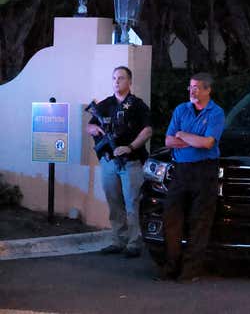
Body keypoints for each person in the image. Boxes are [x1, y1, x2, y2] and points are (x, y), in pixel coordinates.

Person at [162, 72, 225, 282]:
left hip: (204, 170)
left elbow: (207, 143)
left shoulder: (216, 113)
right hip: (181, 170)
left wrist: (182, 135)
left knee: (199, 221)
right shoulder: (181, 110)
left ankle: (190, 271)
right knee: (172, 217)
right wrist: (190, 139)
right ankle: (171, 266)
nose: (192, 90)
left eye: (197, 87)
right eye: (190, 86)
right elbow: (168, 141)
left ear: (208, 90)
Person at [86, 66, 152, 258]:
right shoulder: (105, 104)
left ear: (129, 82)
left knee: (132, 202)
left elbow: (147, 131)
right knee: (114, 202)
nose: (116, 82)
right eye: (114, 78)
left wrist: (130, 147)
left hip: (131, 162)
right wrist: (95, 130)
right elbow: (90, 125)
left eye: (121, 78)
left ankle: (134, 242)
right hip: (108, 162)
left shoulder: (138, 105)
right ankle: (118, 239)